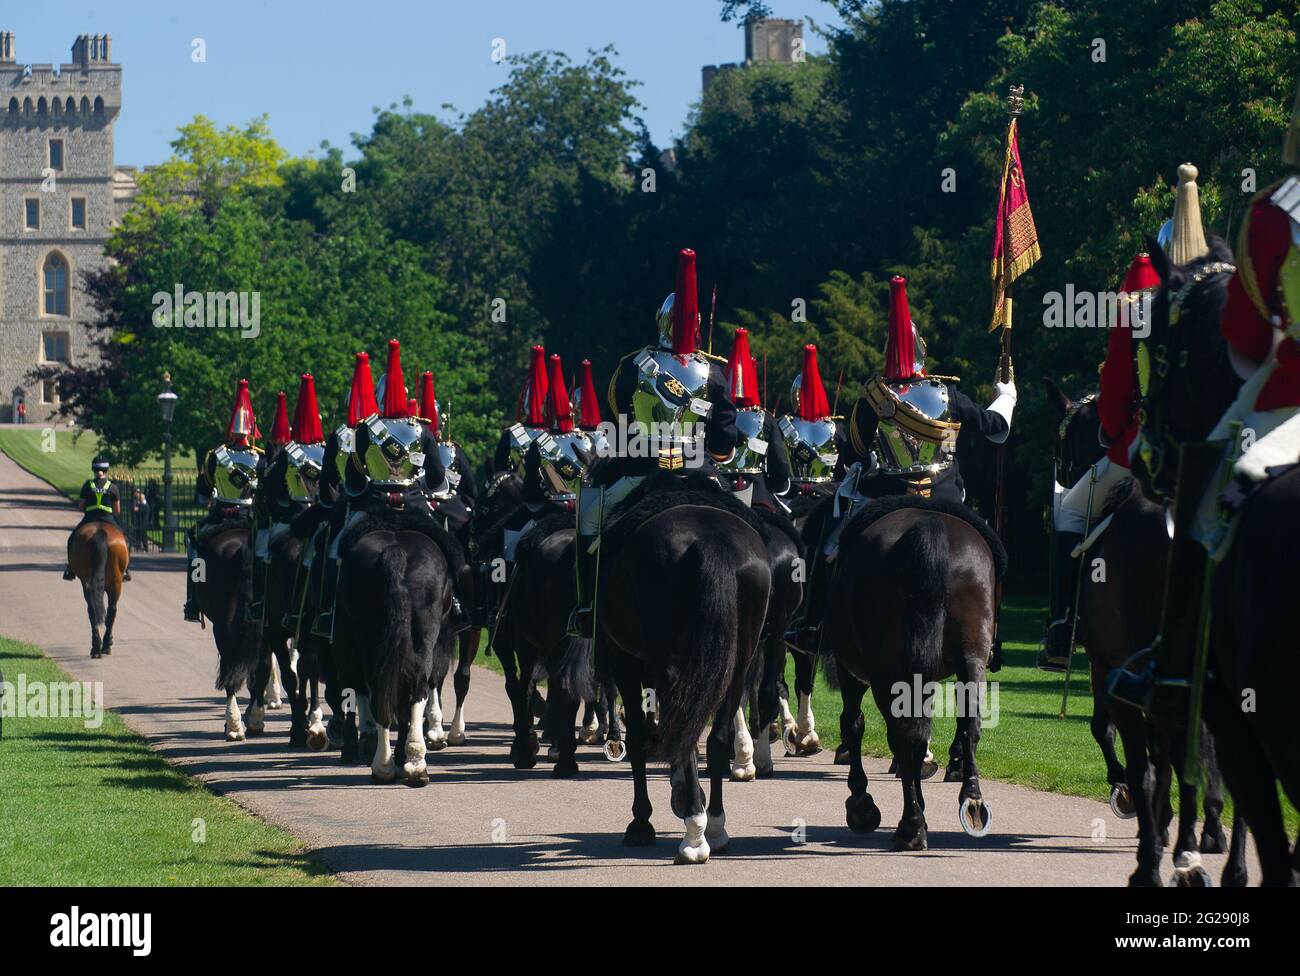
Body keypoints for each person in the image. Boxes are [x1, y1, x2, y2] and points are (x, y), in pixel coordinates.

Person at [1110, 85, 1300, 712]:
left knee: (1210, 506)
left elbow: (1245, 340)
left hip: (1282, 408)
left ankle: (1168, 665)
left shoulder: (1276, 211)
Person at [788, 274, 1016, 652]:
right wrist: (1005, 395)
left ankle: (816, 626)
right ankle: (989, 639)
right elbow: (996, 430)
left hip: (887, 499)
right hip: (946, 499)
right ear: (922, 351)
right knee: (994, 553)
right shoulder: (949, 395)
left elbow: (852, 460)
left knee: (828, 545)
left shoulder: (874, 398)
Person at [570, 246, 739, 638]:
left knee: (588, 520)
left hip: (640, 471)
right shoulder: (714, 374)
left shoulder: (632, 366)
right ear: (696, 326)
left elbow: (615, 421)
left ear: (659, 321)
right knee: (755, 527)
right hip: (700, 472)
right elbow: (724, 447)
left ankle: (585, 608)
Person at [1039, 252, 1164, 672]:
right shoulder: (1190, 308)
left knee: (1067, 512)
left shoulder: (1129, 320)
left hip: (1134, 455)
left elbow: (1111, 402)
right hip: (1192, 457)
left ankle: (1061, 629)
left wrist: (1111, 432)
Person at [313, 339, 456, 638]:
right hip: (415, 507)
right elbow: (436, 479)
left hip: (373, 508)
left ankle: (328, 610)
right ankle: (457, 604)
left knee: (334, 552)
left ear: (377, 398)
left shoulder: (365, 429)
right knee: (450, 551)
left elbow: (353, 483)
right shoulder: (422, 430)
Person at [183, 379, 264, 622]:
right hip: (249, 517)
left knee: (194, 547)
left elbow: (205, 489)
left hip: (220, 515)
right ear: (252, 428)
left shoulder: (216, 456)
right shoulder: (259, 458)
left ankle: (194, 598)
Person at [716, 327, 792, 511]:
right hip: (759, 496)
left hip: (718, 491)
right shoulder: (765, 418)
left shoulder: (716, 413)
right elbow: (779, 465)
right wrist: (775, 485)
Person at [63, 455, 131, 580]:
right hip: (108, 519)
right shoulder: (113, 487)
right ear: (107, 469)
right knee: (125, 539)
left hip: (90, 518)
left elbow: (81, 507)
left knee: (72, 539)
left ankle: (70, 568)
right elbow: (117, 511)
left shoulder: (87, 486)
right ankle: (126, 569)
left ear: (93, 469)